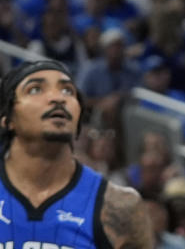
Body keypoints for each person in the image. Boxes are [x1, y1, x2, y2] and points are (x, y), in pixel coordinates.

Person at [0, 57, 151, 249]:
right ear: (7, 119)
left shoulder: (121, 207)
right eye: (36, 89)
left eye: (67, 90)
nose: (58, 98)